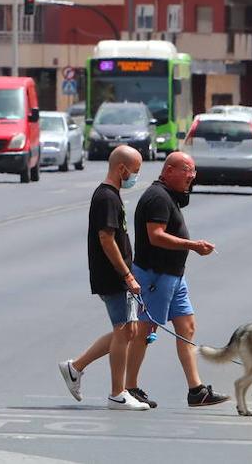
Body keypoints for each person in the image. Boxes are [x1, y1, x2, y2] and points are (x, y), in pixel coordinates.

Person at [127, 151, 229, 409]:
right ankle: (129, 387)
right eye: (187, 170)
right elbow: (156, 236)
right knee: (145, 330)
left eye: (193, 171)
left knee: (187, 327)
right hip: (155, 275)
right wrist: (192, 245)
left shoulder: (169, 196)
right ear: (169, 170)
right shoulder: (157, 197)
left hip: (173, 276)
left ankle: (196, 391)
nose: (192, 176)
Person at [58, 145, 151, 411]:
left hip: (118, 274)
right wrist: (126, 274)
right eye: (135, 171)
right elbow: (106, 238)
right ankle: (117, 394)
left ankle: (75, 368)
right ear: (121, 169)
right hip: (111, 275)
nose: (135, 176)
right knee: (124, 330)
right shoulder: (106, 197)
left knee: (129, 330)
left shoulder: (112, 195)